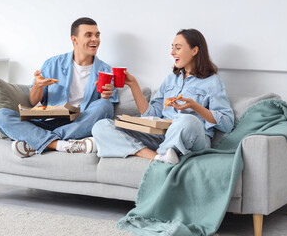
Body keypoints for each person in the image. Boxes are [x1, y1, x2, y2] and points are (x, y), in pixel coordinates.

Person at [91, 29, 234, 164]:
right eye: (172, 47)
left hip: (193, 137)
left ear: (194, 50)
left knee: (187, 120)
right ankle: (159, 157)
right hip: (161, 135)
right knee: (101, 126)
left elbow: (227, 123)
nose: (172, 52)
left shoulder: (212, 82)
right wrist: (133, 85)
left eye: (177, 48)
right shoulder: (170, 80)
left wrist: (195, 107)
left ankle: (164, 152)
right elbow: (150, 114)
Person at [0, 17, 118, 158]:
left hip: (79, 124)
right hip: (47, 122)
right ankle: (59, 144)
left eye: (97, 35)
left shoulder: (106, 71)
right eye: (88, 35)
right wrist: (37, 86)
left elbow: (105, 113)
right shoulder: (53, 64)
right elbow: (34, 101)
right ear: (74, 39)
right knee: (1, 116)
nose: (95, 39)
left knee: (105, 106)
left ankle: (36, 142)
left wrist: (105, 96)